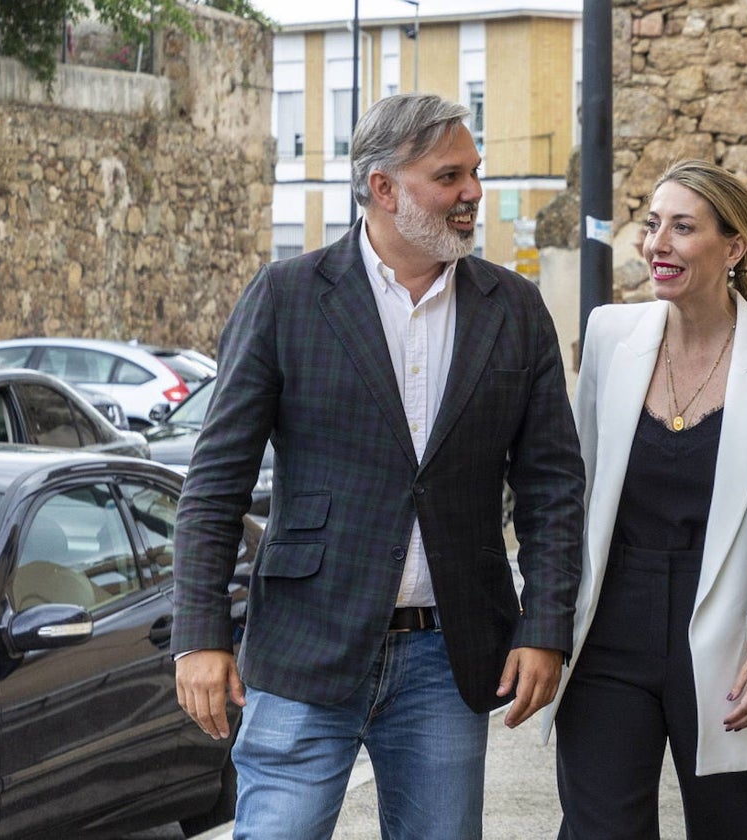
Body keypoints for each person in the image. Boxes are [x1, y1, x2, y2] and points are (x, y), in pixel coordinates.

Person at [171, 92, 585, 840]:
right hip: (306, 649)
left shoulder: (514, 310)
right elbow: (214, 485)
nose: (472, 194)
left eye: (474, 173)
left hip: (447, 658)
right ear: (383, 187)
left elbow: (553, 487)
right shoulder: (287, 298)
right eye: (449, 176)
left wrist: (546, 624)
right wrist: (200, 635)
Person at [541, 159, 747, 839]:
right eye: (654, 223)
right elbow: (575, 486)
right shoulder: (608, 335)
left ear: (735, 247)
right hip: (610, 627)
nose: (657, 243)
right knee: (600, 829)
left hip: (732, 631)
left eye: (683, 227)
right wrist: (546, 625)